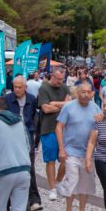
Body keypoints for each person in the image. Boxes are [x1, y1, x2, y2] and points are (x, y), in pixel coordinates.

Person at [55, 82, 101, 211]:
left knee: (85, 184)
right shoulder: (69, 107)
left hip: (88, 153)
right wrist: (61, 149)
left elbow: (101, 127)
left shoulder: (95, 108)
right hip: (71, 152)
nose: (86, 95)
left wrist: (103, 120)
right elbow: (59, 127)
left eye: (89, 92)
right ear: (77, 93)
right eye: (83, 92)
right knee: (72, 181)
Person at [3, 75, 43, 211]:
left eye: (20, 87)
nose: (17, 90)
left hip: (27, 135)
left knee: (29, 167)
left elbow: (34, 118)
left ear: (25, 88)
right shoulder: (7, 99)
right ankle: (10, 198)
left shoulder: (31, 99)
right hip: (11, 135)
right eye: (15, 87)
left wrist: (35, 137)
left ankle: (34, 200)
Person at [37, 67, 72, 201]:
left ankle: (58, 182)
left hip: (64, 129)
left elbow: (70, 107)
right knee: (50, 159)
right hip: (48, 128)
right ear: (52, 76)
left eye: (61, 79)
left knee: (65, 159)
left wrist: (55, 104)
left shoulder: (65, 88)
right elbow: (45, 109)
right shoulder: (44, 88)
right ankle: (52, 188)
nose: (59, 82)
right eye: (57, 79)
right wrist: (63, 104)